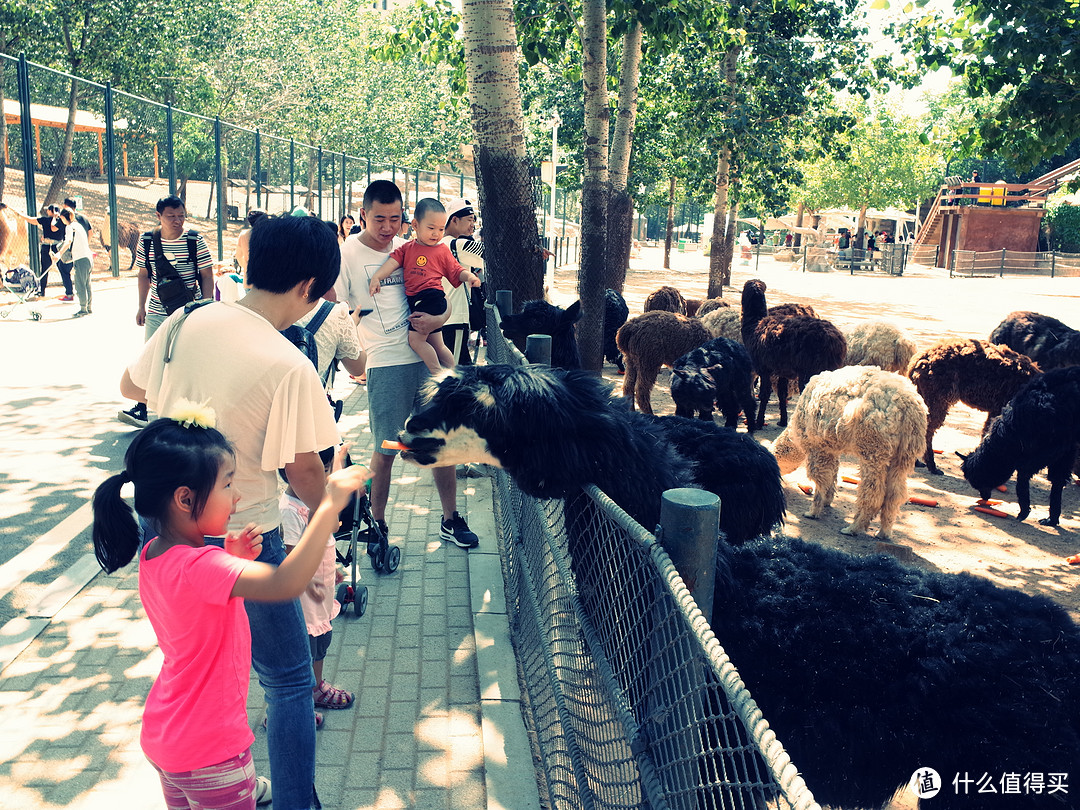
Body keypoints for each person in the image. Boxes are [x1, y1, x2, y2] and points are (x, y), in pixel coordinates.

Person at [121, 214, 344, 810]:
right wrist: (330, 513)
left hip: (167, 527)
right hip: (246, 533)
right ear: (308, 286)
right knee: (289, 679)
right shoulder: (287, 361)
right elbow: (303, 468)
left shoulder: (185, 318)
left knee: (190, 655)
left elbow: (129, 386)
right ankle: (295, 800)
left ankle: (202, 772)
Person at [91, 409, 370, 810]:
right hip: (214, 753)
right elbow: (285, 583)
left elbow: (198, 591)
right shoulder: (204, 566)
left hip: (167, 738)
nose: (237, 496)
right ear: (185, 498)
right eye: (227, 483)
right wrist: (328, 508)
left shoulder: (155, 553)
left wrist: (228, 554)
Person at [337, 180, 480, 549]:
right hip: (385, 364)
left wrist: (437, 321)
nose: (387, 227)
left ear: (406, 219)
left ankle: (450, 519)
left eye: (395, 219)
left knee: (441, 441)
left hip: (424, 356)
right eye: (379, 219)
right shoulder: (347, 254)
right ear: (364, 214)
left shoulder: (413, 248)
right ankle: (379, 524)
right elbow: (337, 312)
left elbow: (445, 299)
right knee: (386, 448)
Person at [118, 196, 214, 429]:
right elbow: (143, 275)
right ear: (158, 216)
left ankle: (191, 410)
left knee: (186, 359)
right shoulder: (148, 240)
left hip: (189, 311)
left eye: (181, 215)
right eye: (171, 216)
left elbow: (207, 275)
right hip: (157, 310)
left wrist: (207, 305)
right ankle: (142, 408)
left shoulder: (194, 240)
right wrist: (141, 306)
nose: (177, 220)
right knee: (149, 360)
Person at [279, 446, 354, 716]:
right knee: (303, 652)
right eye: (319, 472)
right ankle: (292, 705)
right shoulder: (289, 510)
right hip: (306, 598)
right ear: (291, 474)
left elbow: (326, 538)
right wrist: (309, 582)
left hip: (321, 591)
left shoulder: (313, 498)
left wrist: (330, 568)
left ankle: (316, 688)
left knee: (321, 643)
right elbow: (291, 556)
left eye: (325, 470)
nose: (324, 479)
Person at [368, 197, 481, 375]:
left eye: (441, 229)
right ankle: (453, 373)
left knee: (416, 341)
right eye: (431, 228)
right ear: (415, 225)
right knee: (438, 344)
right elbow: (392, 263)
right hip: (424, 301)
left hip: (430, 298)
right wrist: (377, 277)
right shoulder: (407, 248)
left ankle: (438, 374)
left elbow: (456, 269)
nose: (436, 234)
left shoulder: (442, 249)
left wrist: (469, 276)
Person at [440, 198, 486, 366]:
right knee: (457, 372)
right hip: (455, 319)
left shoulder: (437, 244)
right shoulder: (458, 244)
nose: (472, 225)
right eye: (469, 220)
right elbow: (494, 255)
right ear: (454, 220)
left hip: (441, 319)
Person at [0, 202, 68, 298]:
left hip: (48, 247)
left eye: (48, 210)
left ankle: (42, 291)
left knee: (46, 269)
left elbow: (31, 220)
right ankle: (68, 290)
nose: (46, 211)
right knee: (61, 268)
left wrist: (21, 215)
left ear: (50, 211)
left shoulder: (46, 220)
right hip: (56, 247)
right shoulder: (62, 222)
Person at [53, 208, 93, 317]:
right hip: (88, 258)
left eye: (61, 219)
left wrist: (59, 253)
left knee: (80, 285)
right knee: (87, 284)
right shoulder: (78, 226)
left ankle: (83, 309)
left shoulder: (70, 227)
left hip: (81, 259)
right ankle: (88, 308)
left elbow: (68, 241)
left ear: (63, 217)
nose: (61, 221)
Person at [235, 209, 267, 277]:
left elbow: (238, 255)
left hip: (249, 278)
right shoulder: (271, 235)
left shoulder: (243, 234)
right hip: (268, 280)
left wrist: (246, 267)